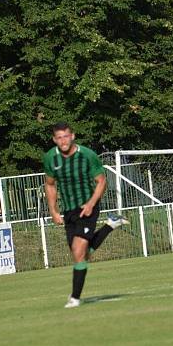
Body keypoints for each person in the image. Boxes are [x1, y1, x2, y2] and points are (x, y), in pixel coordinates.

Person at [43, 122, 129, 308]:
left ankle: (75, 298)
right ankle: (110, 225)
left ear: (72, 136)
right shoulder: (50, 158)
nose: (63, 140)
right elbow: (50, 184)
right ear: (54, 139)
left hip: (87, 206)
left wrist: (91, 203)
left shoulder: (87, 155)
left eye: (66, 136)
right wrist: (53, 210)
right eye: (59, 137)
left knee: (79, 251)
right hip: (68, 210)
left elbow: (101, 181)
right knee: (80, 255)